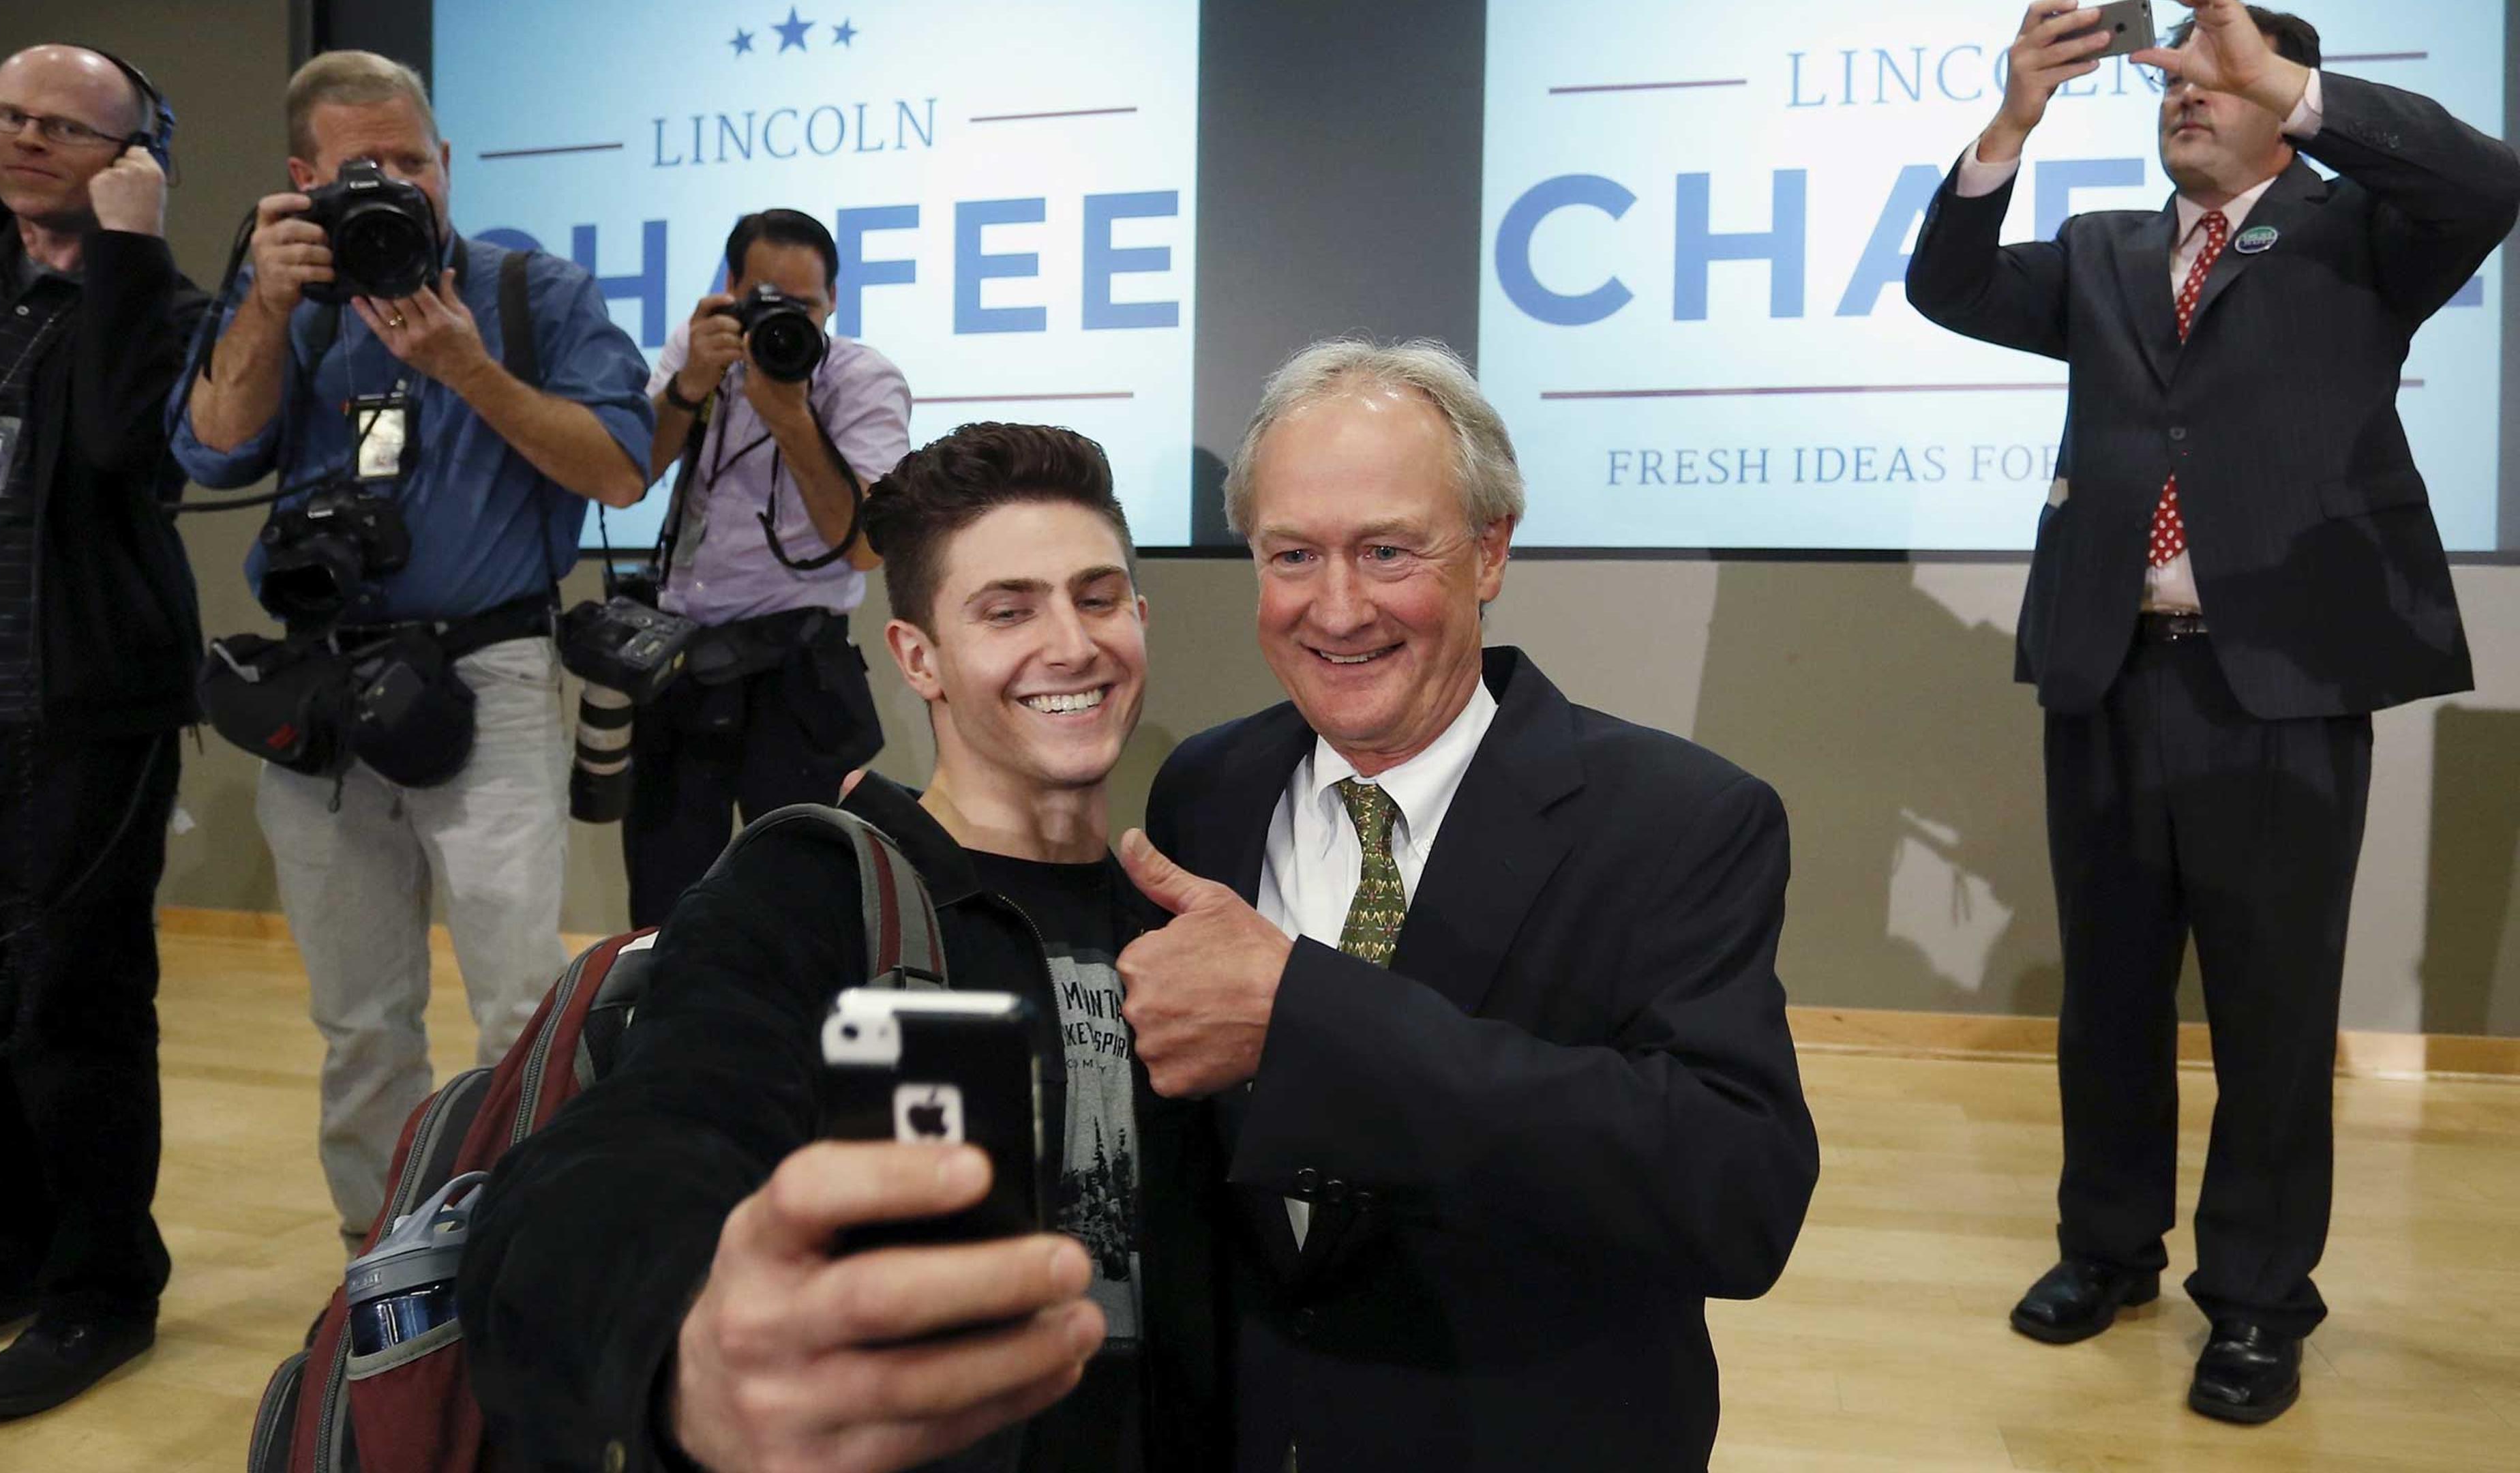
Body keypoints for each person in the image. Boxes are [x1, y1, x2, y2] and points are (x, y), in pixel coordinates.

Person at [1905, 0, 2520, 1425]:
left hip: (2284, 683)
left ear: (2279, 90)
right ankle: (2107, 1253)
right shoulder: (2106, 252)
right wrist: (2012, 119)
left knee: (2272, 1008)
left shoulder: (2363, 233)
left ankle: (2254, 1303)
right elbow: (1947, 286)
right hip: (2109, 669)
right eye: (2167, 81)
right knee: (2109, 998)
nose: (2180, 94)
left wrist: (2300, 94)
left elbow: (2489, 184)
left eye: (2212, 77)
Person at [462, 423, 1225, 1473]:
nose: (1071, 643)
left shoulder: (1180, 922)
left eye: (1097, 599)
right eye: (1007, 610)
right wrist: (685, 1348)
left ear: (1139, 619)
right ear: (920, 657)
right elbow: (636, 1149)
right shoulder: (812, 894)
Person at [1120, 339, 1820, 1470]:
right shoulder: (1206, 789)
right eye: (1293, 554)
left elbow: (1733, 1195)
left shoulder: (1681, 821)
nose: (1336, 608)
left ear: (1490, 552)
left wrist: (1310, 1019)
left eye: (1387, 550)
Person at [170, 50, 653, 1249]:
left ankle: (530, 1244)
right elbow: (210, 452)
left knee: (517, 1000)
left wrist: (467, 369)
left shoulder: (534, 292)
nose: (396, 187)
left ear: (449, 163)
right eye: (361, 169)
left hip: (488, 673)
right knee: (361, 1017)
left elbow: (620, 469)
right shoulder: (288, 305)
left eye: (415, 163)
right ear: (302, 181)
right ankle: (383, 1258)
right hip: (325, 690)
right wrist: (271, 305)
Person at [0, 44, 205, 1418]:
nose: (24, 141)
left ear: (137, 157)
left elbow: (109, 446)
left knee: (73, 1014)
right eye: (7, 117)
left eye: (64, 128)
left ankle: (100, 1292)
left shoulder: (160, 307)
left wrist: (129, 253)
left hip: (76, 718)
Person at [622, 208, 906, 927]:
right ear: (731, 289)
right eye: (763, 301)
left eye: (803, 306)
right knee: (663, 899)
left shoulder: (861, 380)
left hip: (796, 673)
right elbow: (628, 478)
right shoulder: (699, 352)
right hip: (682, 663)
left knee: (803, 905)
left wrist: (789, 415)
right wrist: (687, 387)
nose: (782, 319)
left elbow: (867, 545)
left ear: (833, 302)